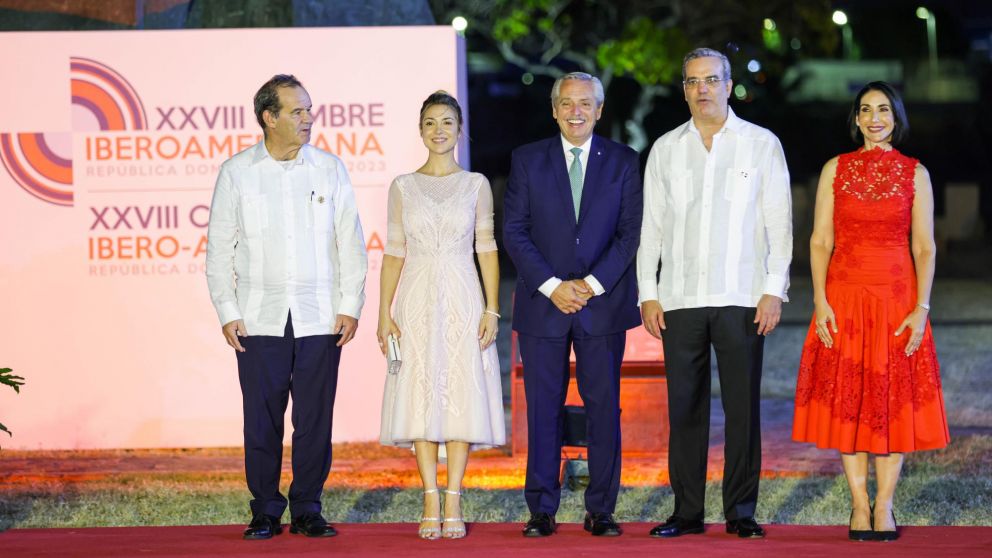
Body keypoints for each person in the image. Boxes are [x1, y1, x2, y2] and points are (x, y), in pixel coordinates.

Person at [636, 47, 792, 540]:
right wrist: (648, 291)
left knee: (742, 409)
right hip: (679, 297)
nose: (701, 89)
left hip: (743, 296)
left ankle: (741, 511)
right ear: (683, 88)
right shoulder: (665, 148)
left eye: (711, 79)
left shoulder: (760, 144)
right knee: (684, 408)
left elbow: (778, 224)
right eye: (692, 81)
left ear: (729, 85)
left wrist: (774, 290)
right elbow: (652, 228)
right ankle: (686, 512)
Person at [205, 74, 368, 540]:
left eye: (309, 110)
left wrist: (350, 303)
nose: (307, 119)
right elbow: (218, 250)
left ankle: (308, 508)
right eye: (296, 112)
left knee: (315, 418)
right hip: (258, 316)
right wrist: (227, 311)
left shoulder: (329, 168)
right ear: (268, 118)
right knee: (262, 419)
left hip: (321, 314)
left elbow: (350, 244)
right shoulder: (236, 172)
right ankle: (264, 509)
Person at [792, 81, 949, 542]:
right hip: (844, 298)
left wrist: (921, 307)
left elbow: (925, 246)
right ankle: (858, 506)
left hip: (897, 301)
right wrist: (820, 299)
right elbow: (820, 240)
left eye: (883, 110)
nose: (875, 118)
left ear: (896, 118)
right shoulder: (835, 170)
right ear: (856, 119)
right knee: (849, 403)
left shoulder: (914, 173)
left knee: (890, 405)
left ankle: (884, 507)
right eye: (866, 110)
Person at [504, 72, 643, 538]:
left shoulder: (624, 162)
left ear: (600, 110)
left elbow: (629, 234)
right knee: (543, 408)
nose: (576, 111)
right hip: (544, 306)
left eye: (585, 103)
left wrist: (590, 284)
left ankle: (600, 508)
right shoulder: (528, 160)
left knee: (604, 407)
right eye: (567, 103)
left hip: (601, 306)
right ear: (554, 109)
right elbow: (515, 231)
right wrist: (551, 285)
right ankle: (541, 508)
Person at [377, 91, 505, 540]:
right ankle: (429, 495)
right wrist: (383, 313)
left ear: (459, 128)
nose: (439, 131)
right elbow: (394, 252)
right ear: (420, 129)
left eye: (447, 122)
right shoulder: (402, 186)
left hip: (462, 295)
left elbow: (486, 248)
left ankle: (454, 497)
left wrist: (492, 307)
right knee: (421, 392)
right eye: (430, 122)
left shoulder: (476, 184)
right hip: (414, 298)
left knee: (459, 393)